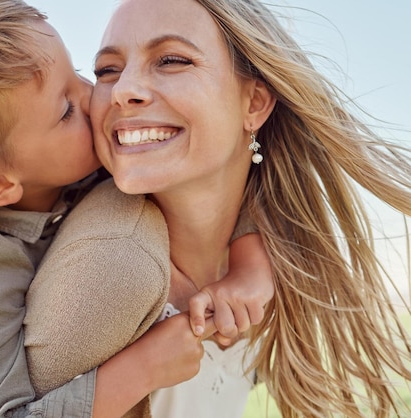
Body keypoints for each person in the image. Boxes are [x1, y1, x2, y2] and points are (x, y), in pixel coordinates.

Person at [0, 0, 274, 417]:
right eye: (67, 109)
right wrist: (140, 370)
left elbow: (219, 180)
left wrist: (250, 265)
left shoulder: (54, 157)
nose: (95, 100)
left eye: (80, 75)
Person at [22, 0, 411, 417]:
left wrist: (255, 260)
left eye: (171, 60)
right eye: (107, 70)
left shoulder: (264, 256)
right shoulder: (110, 267)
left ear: (255, 104)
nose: (121, 90)